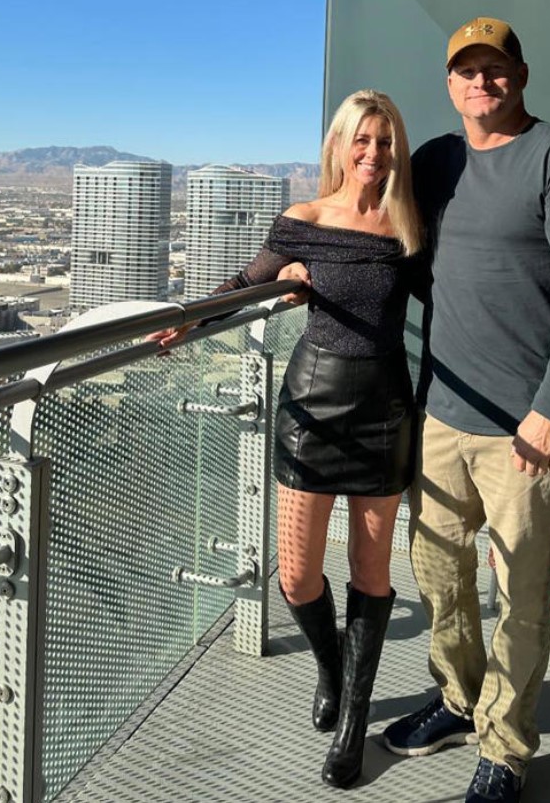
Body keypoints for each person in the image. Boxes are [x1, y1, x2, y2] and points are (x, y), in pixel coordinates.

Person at [379, 18, 550, 803]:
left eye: (495, 68)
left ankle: (506, 748)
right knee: (437, 574)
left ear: (521, 74)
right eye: (466, 70)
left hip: (527, 426)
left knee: (519, 592)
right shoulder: (436, 162)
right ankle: (459, 699)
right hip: (442, 413)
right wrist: (285, 266)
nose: (481, 82)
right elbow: (376, 234)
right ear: (449, 83)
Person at [150, 89, 424, 788]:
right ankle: (331, 666)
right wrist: (187, 319)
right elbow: (244, 285)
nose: (372, 153)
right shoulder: (302, 221)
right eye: (360, 140)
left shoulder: (409, 228)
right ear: (338, 147)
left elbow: (455, 302)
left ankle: (354, 722)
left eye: (384, 141)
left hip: (384, 408)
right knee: (297, 576)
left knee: (370, 573)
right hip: (312, 405)